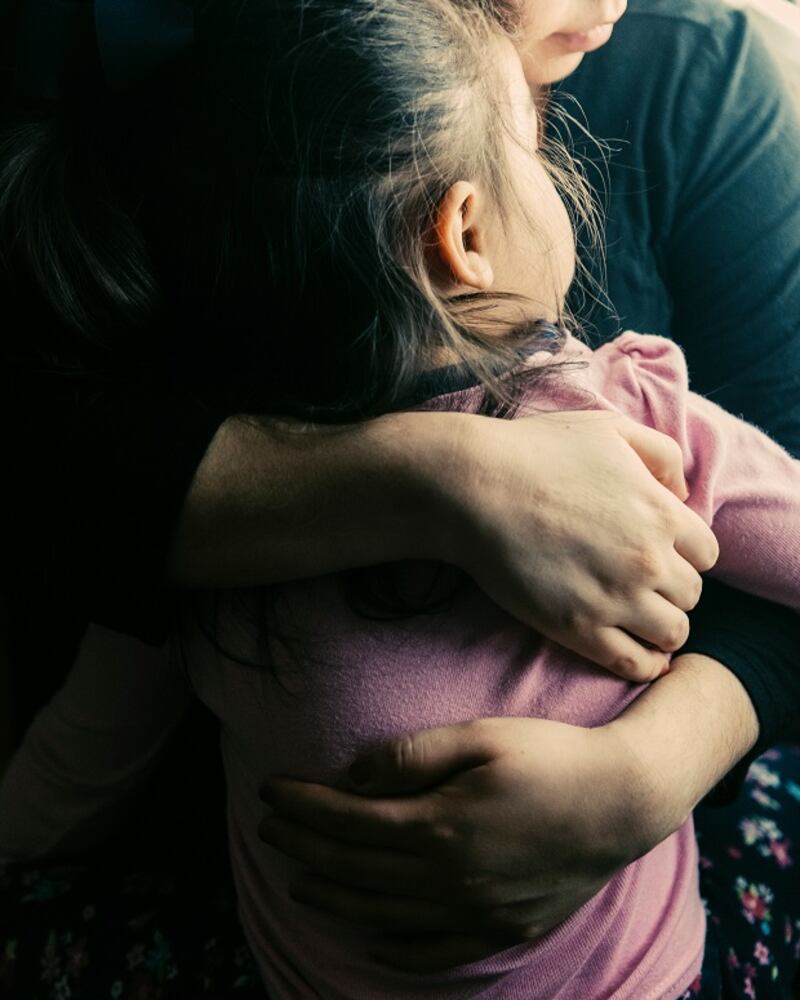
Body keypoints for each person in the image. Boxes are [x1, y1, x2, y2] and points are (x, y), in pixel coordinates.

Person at [2, 1, 799, 996]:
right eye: (543, 156)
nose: (611, 4)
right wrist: (433, 478)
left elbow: (74, 761)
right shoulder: (634, 400)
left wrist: (642, 778)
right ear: (462, 229)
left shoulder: (702, 79)